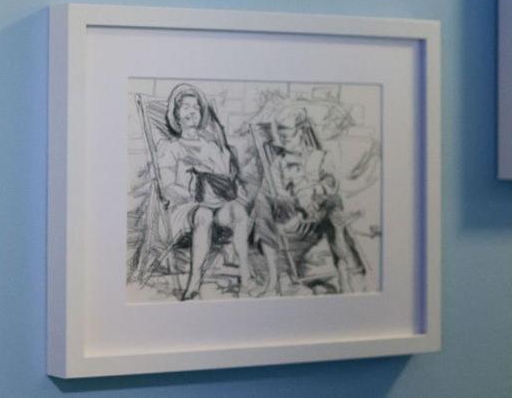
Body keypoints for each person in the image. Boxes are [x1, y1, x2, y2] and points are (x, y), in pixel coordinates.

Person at [253, 105, 367, 295]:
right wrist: (293, 199)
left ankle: (343, 274)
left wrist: (314, 192)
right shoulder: (278, 163)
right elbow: (273, 192)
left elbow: (331, 183)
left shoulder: (320, 157)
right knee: (262, 200)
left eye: (289, 137)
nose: (285, 142)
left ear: (301, 132)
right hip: (292, 214)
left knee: (333, 204)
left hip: (320, 213)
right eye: (281, 137)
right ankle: (273, 281)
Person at [155, 84, 254, 299]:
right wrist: (194, 193)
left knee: (237, 210)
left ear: (201, 114)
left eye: (196, 107)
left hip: (214, 203)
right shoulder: (171, 148)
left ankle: (245, 274)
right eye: (186, 107)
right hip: (184, 208)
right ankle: (194, 281)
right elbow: (167, 187)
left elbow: (224, 178)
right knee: (203, 214)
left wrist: (222, 154)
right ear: (176, 114)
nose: (192, 111)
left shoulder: (210, 145)